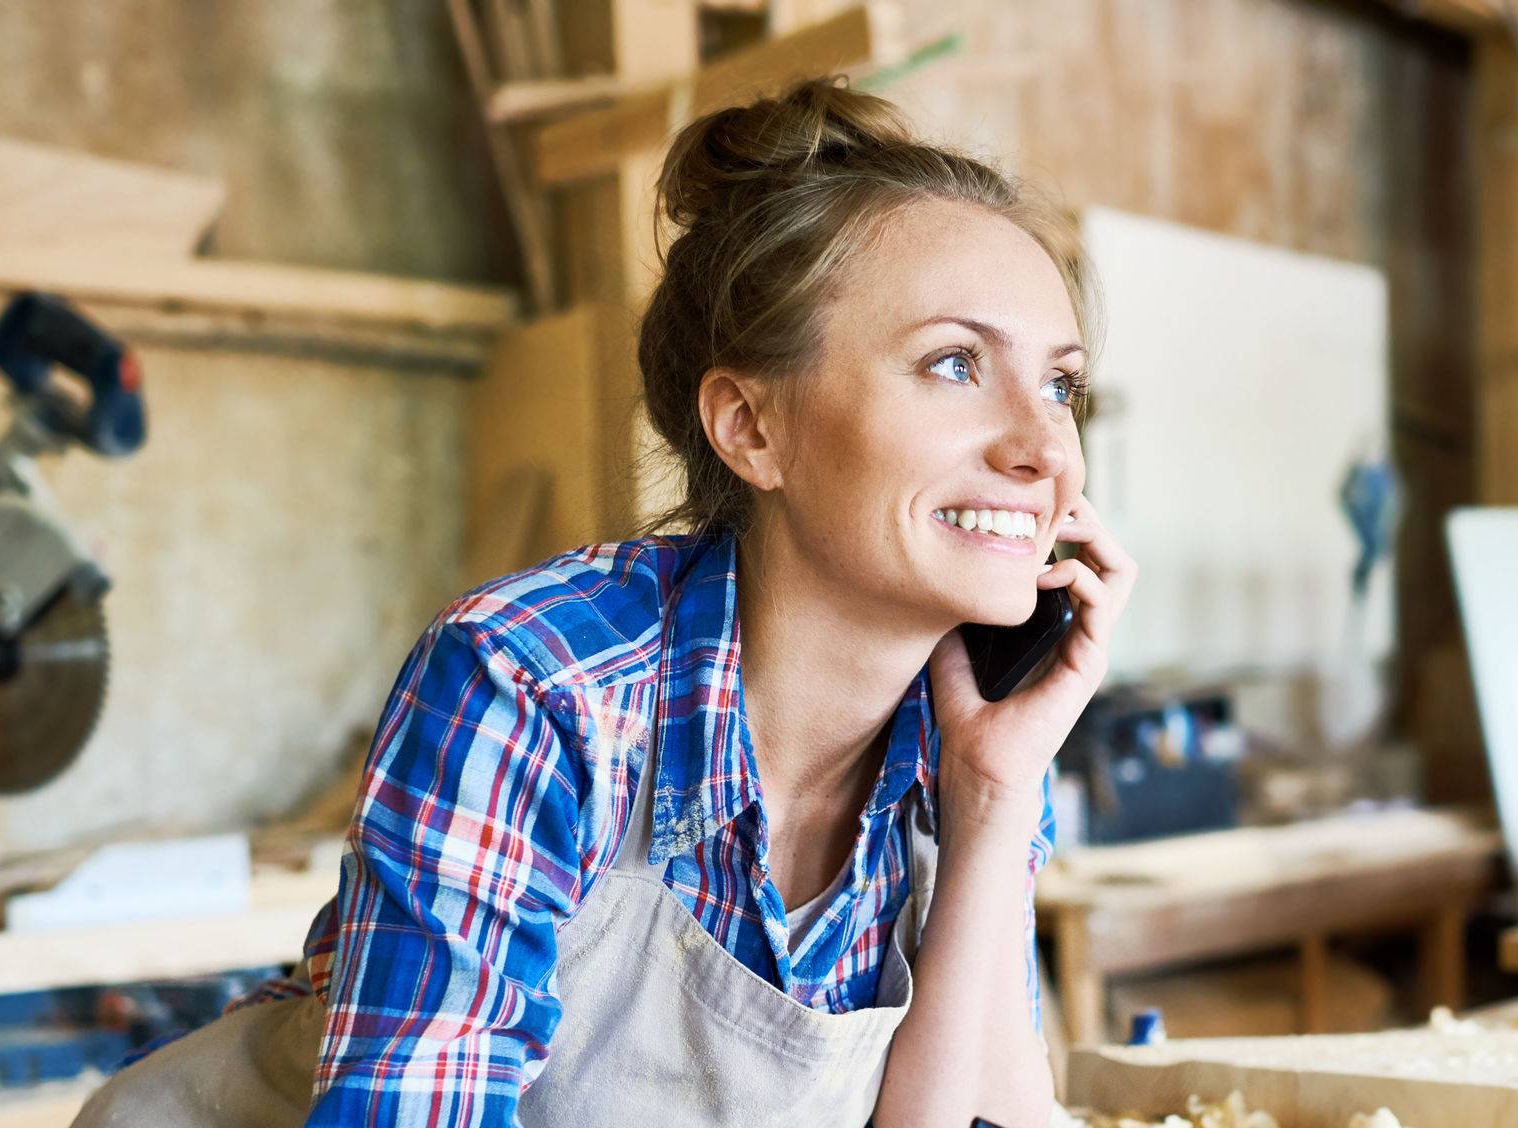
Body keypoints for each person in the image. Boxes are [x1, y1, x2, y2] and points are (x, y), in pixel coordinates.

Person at [74, 75, 1134, 1127]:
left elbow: (975, 1118)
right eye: (954, 363)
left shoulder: (972, 738)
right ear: (751, 427)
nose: (1044, 451)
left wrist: (993, 796)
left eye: (1059, 386)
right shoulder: (535, 683)